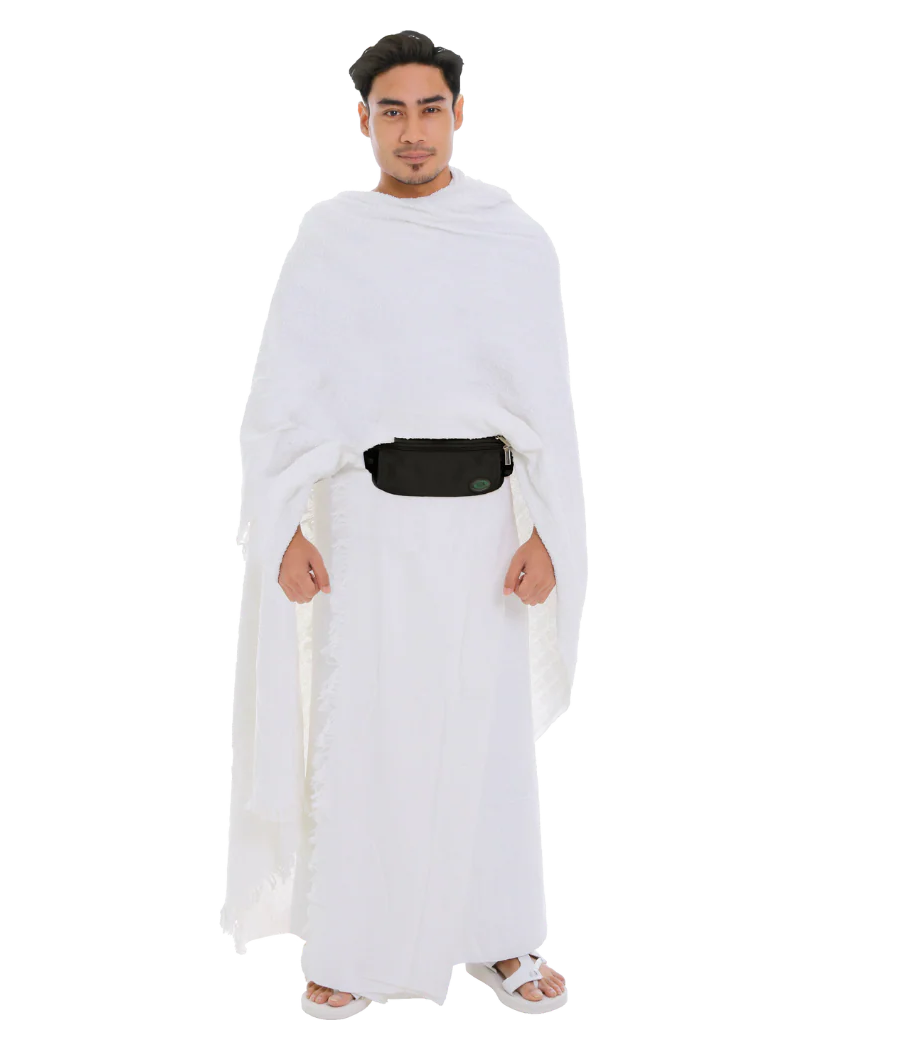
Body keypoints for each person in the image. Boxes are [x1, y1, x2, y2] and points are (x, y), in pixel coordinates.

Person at [226, 30, 587, 1018]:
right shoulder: (329, 239)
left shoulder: (510, 237)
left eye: (431, 109)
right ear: (364, 121)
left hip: (485, 528)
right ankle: (347, 944)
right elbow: (285, 401)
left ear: (459, 113)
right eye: (392, 112)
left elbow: (548, 405)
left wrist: (547, 531)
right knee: (367, 730)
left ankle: (500, 937)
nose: (413, 131)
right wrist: (284, 528)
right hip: (365, 524)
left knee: (485, 735)